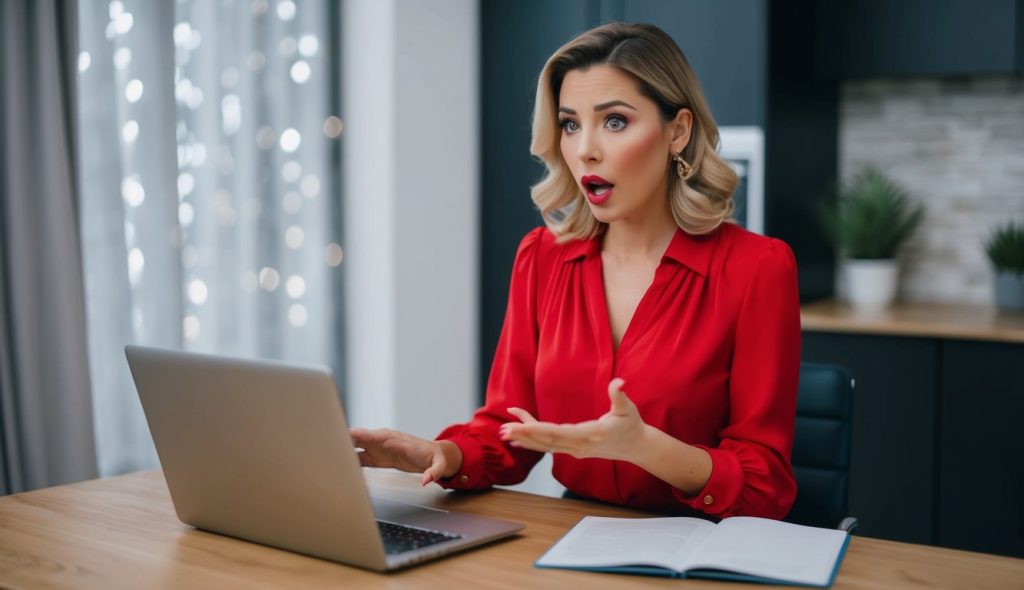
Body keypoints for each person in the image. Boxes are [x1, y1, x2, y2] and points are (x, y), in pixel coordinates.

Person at [351, 22, 800, 519]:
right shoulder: (541, 258)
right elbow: (509, 428)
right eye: (570, 124)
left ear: (678, 131)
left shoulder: (758, 269)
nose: (585, 148)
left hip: (700, 547)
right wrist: (443, 454)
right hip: (573, 538)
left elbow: (766, 485)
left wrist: (646, 447)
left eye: (614, 122)